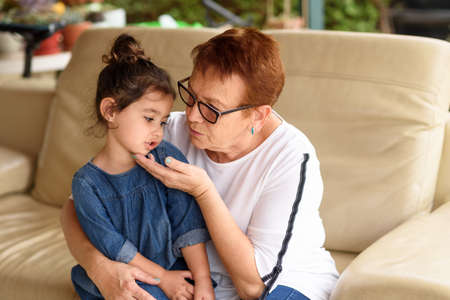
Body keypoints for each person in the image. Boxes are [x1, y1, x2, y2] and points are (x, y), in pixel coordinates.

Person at [61, 28, 339, 300]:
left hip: (284, 282)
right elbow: (75, 208)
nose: (192, 116)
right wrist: (101, 269)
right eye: (191, 95)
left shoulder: (289, 157)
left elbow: (253, 288)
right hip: (193, 281)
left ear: (257, 115)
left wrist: (204, 192)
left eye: (211, 108)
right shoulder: (164, 133)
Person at [68, 33, 214, 300]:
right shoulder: (86, 184)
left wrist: (203, 282)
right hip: (129, 274)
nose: (157, 132)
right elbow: (113, 247)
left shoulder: (166, 157)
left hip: (175, 268)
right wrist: (162, 279)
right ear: (110, 110)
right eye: (149, 118)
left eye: (162, 122)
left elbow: (187, 223)